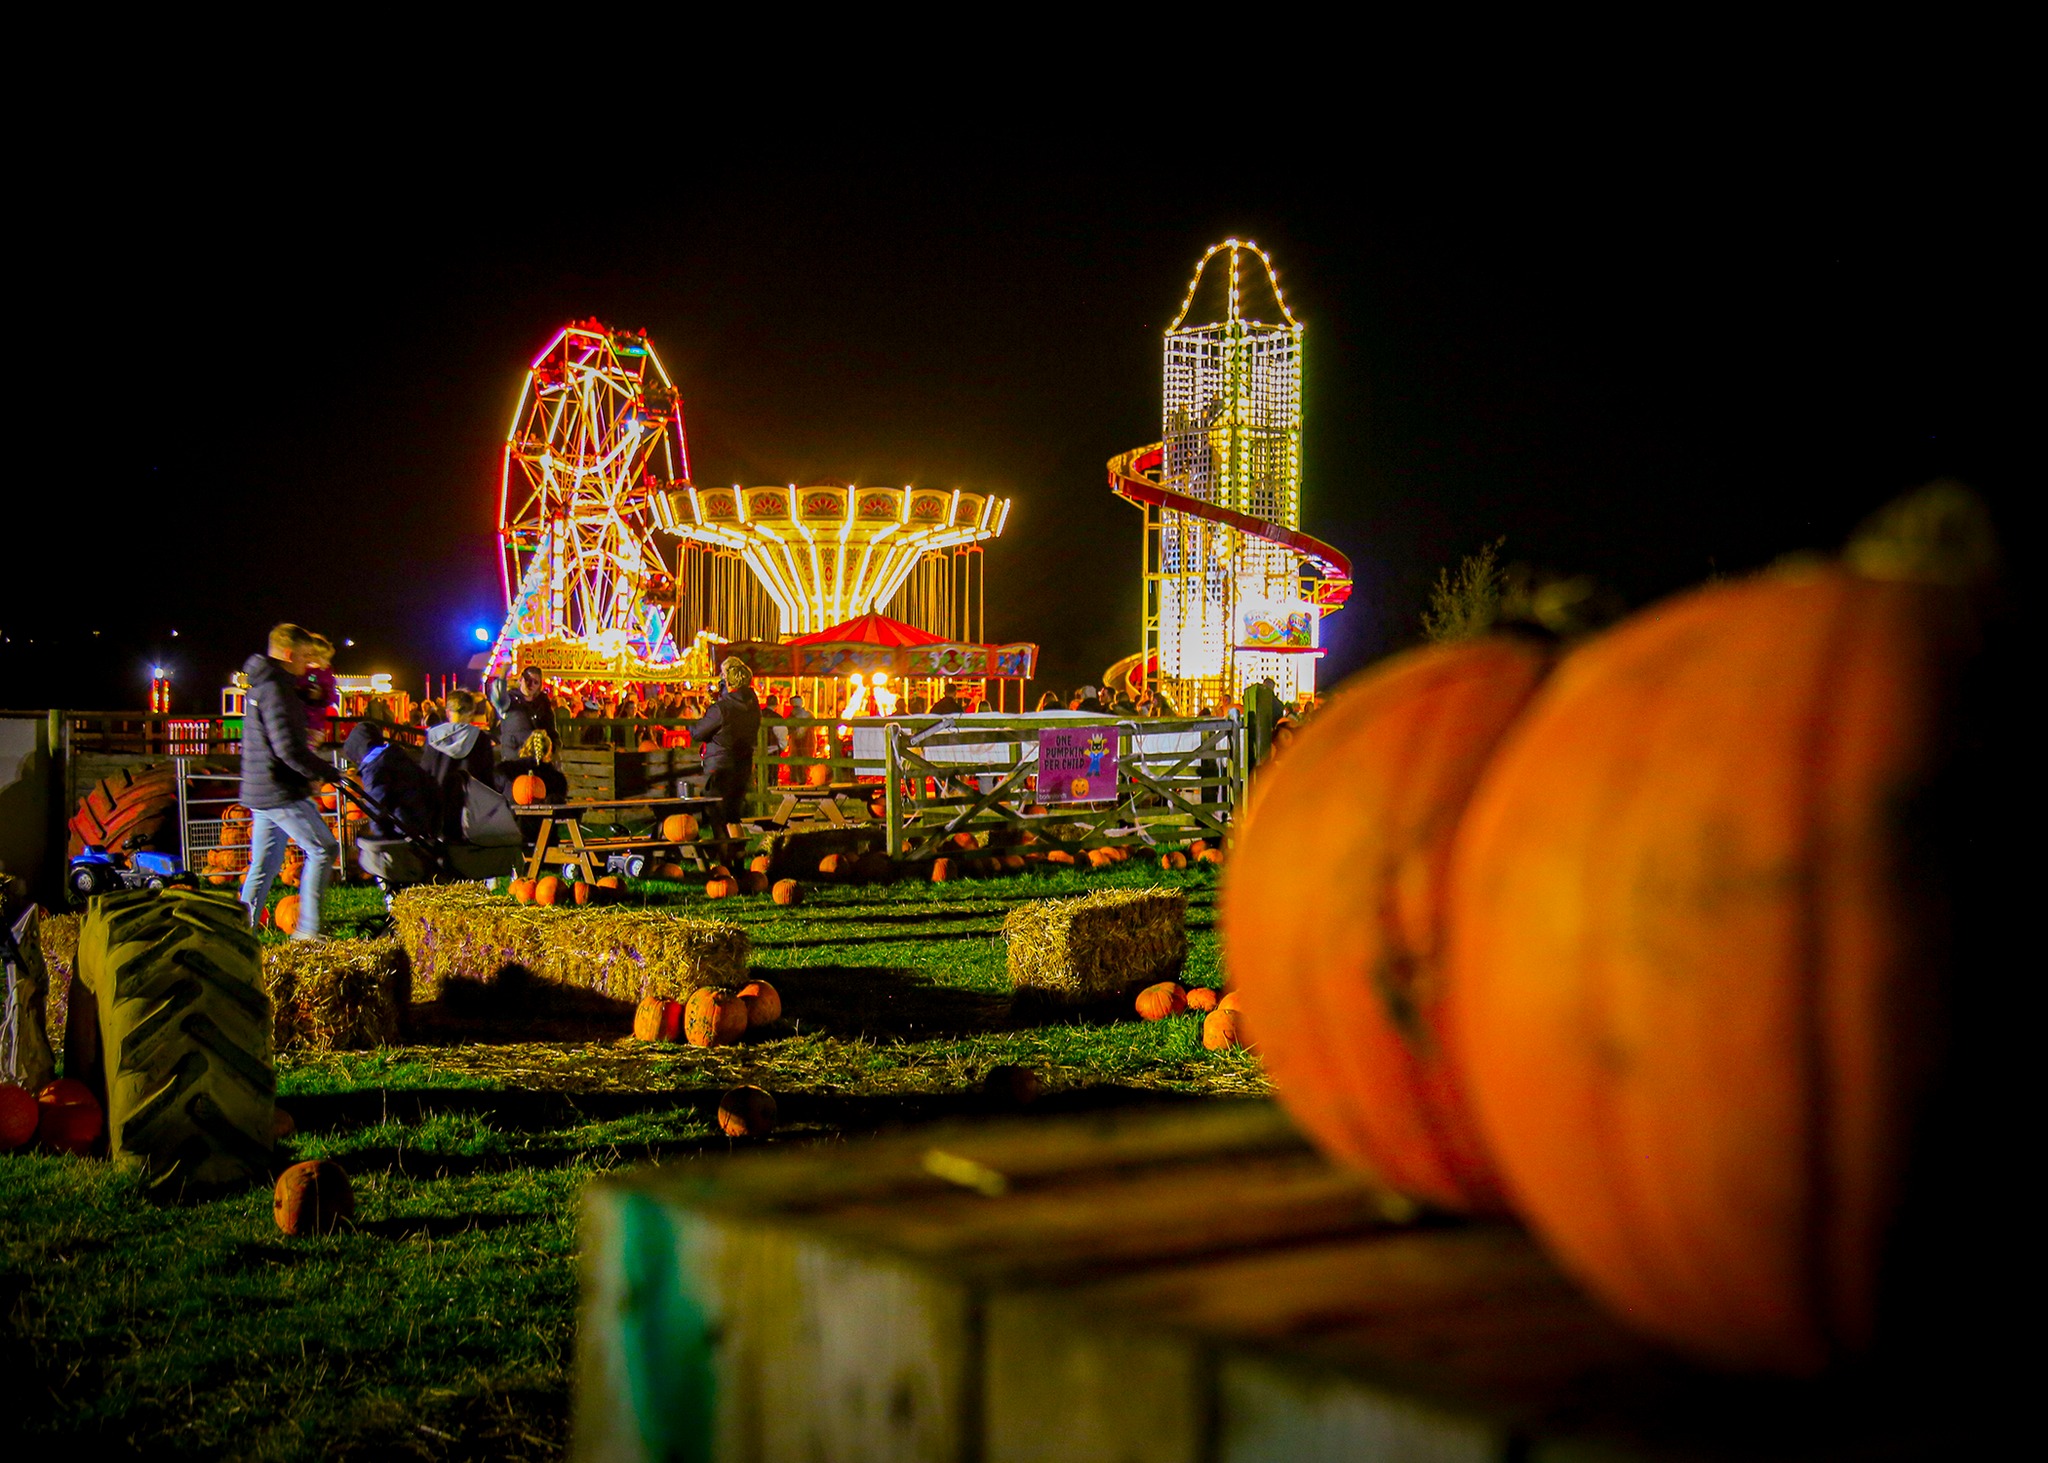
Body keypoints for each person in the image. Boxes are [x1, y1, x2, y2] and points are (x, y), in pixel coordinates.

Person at [238, 624, 340, 939]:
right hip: (279, 788)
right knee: (324, 848)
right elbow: (286, 747)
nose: (310, 662)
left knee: (264, 866)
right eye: (306, 655)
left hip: (262, 787)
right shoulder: (276, 690)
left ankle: (240, 932)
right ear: (289, 653)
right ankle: (307, 930)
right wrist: (323, 771)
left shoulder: (269, 684)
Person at [691, 657, 762, 836]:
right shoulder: (753, 706)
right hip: (743, 764)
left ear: (727, 680)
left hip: (720, 767)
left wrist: (698, 720)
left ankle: (725, 855)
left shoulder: (722, 709)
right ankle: (737, 855)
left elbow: (698, 732)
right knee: (733, 815)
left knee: (717, 814)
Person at [341, 720, 440, 842]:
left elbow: (376, 805)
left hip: (406, 826)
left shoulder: (374, 769)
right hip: (425, 818)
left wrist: (381, 839)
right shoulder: (396, 756)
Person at [420, 690, 499, 841]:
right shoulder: (480, 739)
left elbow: (425, 772)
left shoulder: (434, 737)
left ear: (448, 712)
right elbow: (487, 777)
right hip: (470, 809)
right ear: (471, 713)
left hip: (439, 807)